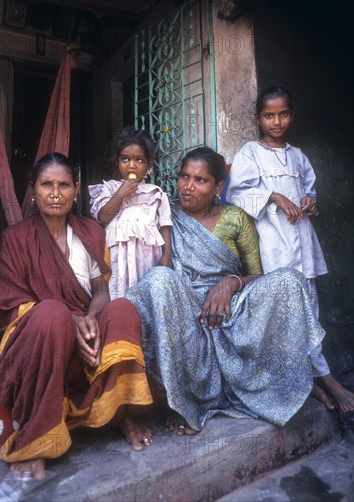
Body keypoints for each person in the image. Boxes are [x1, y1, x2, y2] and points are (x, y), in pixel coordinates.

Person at [126, 146, 327, 435]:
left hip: (233, 304)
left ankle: (296, 382)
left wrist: (230, 283)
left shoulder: (235, 218)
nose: (188, 187)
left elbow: (257, 276)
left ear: (219, 186)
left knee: (289, 280)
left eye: (200, 180)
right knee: (159, 279)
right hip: (185, 304)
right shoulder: (165, 213)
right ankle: (185, 403)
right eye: (184, 177)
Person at [0, 152, 153, 480]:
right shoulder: (13, 240)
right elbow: (8, 306)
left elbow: (101, 292)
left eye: (63, 185)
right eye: (46, 184)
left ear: (76, 190)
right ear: (32, 190)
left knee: (121, 309)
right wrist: (70, 320)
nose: (54, 192)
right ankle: (37, 436)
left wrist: (90, 317)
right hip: (39, 345)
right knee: (52, 314)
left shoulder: (90, 232)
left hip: (83, 340)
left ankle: (120, 412)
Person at [227, 85, 354, 413]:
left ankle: (314, 377)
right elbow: (236, 193)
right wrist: (274, 196)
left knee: (309, 310)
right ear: (258, 118)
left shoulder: (298, 156)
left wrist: (310, 200)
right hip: (272, 245)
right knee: (285, 315)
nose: (277, 121)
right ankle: (320, 380)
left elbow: (309, 187)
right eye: (269, 115)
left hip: (302, 243)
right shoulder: (250, 153)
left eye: (283, 114)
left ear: (291, 115)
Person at [89, 127, 173, 299]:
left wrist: (167, 255)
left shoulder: (156, 193)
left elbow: (165, 225)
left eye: (139, 160)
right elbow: (103, 216)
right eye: (125, 159)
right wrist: (120, 194)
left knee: (147, 297)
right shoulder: (109, 189)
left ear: (148, 165)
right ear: (117, 163)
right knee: (118, 298)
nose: (132, 165)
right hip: (117, 259)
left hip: (147, 259)